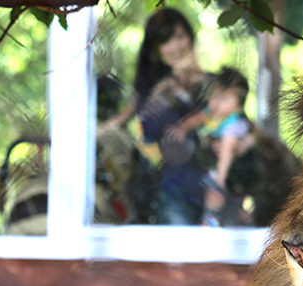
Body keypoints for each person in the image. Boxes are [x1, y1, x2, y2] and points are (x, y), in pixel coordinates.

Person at [104, 8, 211, 225]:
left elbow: (227, 122)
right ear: (156, 50)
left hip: (212, 188)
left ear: (190, 37)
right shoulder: (151, 90)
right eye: (166, 41)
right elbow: (133, 126)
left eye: (180, 36)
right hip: (168, 190)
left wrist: (192, 76)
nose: (176, 46)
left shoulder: (216, 84)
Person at [167, 67, 256, 226]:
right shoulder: (212, 114)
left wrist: (220, 178)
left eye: (224, 99)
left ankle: (216, 203)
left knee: (217, 188)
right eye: (214, 97)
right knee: (220, 197)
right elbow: (197, 119)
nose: (216, 103)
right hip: (215, 167)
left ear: (239, 105)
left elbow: (229, 147)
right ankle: (231, 215)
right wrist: (182, 127)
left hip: (229, 170)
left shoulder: (235, 122)